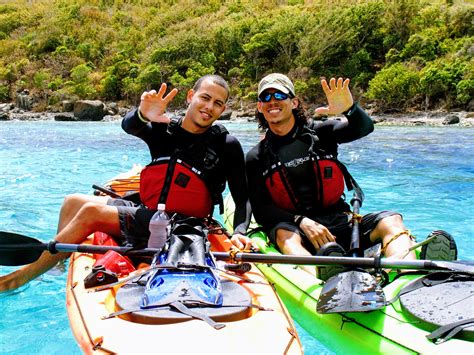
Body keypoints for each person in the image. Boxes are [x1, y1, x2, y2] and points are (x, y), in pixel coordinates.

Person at [0, 74, 252, 292]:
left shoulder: (226, 145)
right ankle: (57, 261)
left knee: (90, 211)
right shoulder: (165, 128)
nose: (209, 107)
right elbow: (130, 125)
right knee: (72, 202)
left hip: (181, 224)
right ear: (190, 96)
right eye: (205, 98)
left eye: (218, 103)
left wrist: (240, 232)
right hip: (150, 210)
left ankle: (19, 278)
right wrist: (143, 114)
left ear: (223, 109)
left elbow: (242, 198)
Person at [245, 73, 457, 279]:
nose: (273, 101)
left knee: (391, 219)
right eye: (266, 97)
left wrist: (350, 109)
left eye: (280, 95)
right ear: (260, 107)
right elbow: (262, 210)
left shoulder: (321, 133)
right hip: (296, 230)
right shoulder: (257, 156)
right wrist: (301, 221)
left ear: (294, 102)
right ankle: (324, 281)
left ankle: (406, 274)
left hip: (339, 221)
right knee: (284, 236)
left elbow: (364, 128)